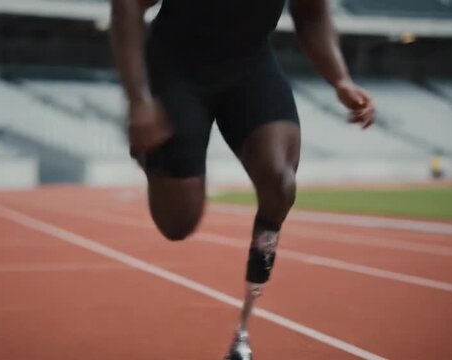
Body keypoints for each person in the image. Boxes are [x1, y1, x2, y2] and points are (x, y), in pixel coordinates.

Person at [110, 0, 375, 358]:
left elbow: (312, 14)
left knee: (280, 184)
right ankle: (150, 154)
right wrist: (138, 99)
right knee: (177, 223)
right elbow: (126, 6)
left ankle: (244, 332)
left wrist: (340, 79)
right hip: (176, 66)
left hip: (249, 65)